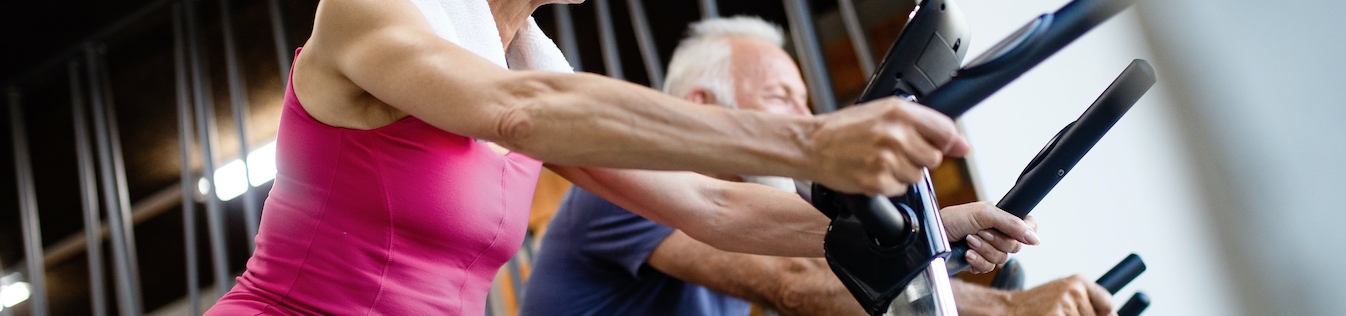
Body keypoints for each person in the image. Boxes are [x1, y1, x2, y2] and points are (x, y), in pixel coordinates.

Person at [205, 0, 1039, 314]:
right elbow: (522, 115)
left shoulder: (529, 54)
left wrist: (938, 221)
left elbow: (713, 210)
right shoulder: (374, 11)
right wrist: (812, 142)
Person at [520, 17, 1115, 316]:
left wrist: (943, 228)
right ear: (702, 104)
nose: (807, 119)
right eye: (783, 99)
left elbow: (837, 255)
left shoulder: (750, 218)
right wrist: (1009, 309)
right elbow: (797, 282)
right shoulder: (621, 186)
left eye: (805, 101)